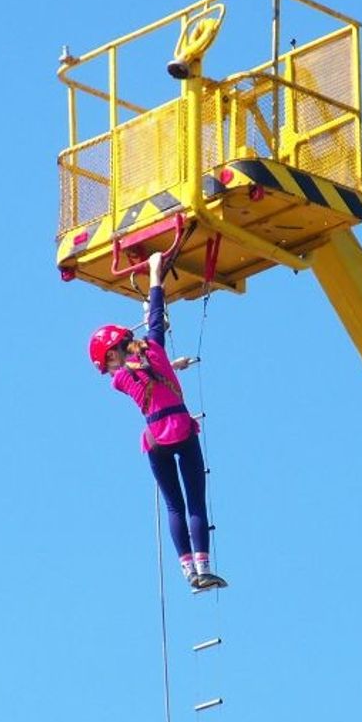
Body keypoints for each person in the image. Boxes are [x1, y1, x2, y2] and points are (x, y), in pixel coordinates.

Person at [88, 252, 228, 591]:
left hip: (155, 440)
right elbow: (155, 312)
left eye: (107, 363)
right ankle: (204, 567)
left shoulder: (121, 379)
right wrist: (154, 271)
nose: (109, 369)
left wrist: (172, 366)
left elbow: (140, 370)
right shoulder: (154, 347)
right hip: (181, 429)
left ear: (112, 356)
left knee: (174, 505)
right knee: (195, 501)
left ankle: (189, 572)